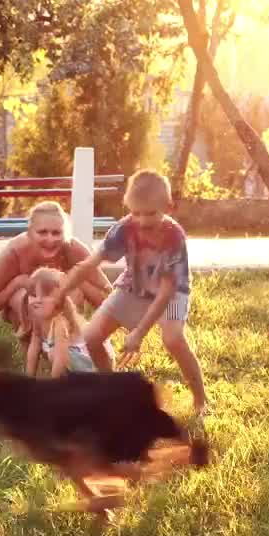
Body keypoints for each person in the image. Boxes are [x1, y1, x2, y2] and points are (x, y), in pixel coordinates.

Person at [42, 170, 208, 416]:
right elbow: (89, 264)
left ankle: (201, 401)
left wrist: (139, 332)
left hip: (171, 292)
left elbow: (165, 291)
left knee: (173, 339)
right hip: (135, 285)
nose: (141, 220)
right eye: (135, 212)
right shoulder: (123, 229)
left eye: (150, 213)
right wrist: (60, 292)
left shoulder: (174, 236)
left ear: (168, 207)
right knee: (91, 337)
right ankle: (113, 393)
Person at [0, 201, 110, 338]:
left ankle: (66, 344)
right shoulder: (14, 253)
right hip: (23, 310)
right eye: (42, 232)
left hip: (66, 319)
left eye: (56, 233)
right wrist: (17, 283)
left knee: (75, 291)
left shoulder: (74, 249)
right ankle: (32, 345)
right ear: (29, 233)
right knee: (24, 296)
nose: (50, 240)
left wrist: (76, 279)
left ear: (66, 234)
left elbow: (108, 297)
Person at [25, 267, 112, 377]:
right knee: (48, 349)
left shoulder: (60, 322)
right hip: (67, 355)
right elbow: (34, 346)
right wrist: (29, 378)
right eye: (33, 295)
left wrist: (53, 386)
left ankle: (82, 382)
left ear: (59, 298)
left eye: (45, 295)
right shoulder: (37, 317)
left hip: (91, 360)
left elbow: (61, 359)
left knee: (53, 353)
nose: (38, 300)